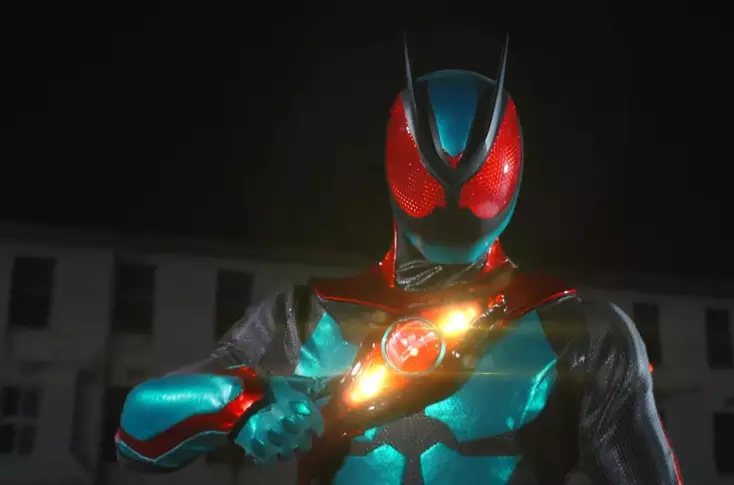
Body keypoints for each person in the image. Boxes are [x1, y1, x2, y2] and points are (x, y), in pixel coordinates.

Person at [115, 37, 683, 485]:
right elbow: (138, 433)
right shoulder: (306, 317)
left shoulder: (580, 329)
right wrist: (240, 402)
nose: (453, 190)